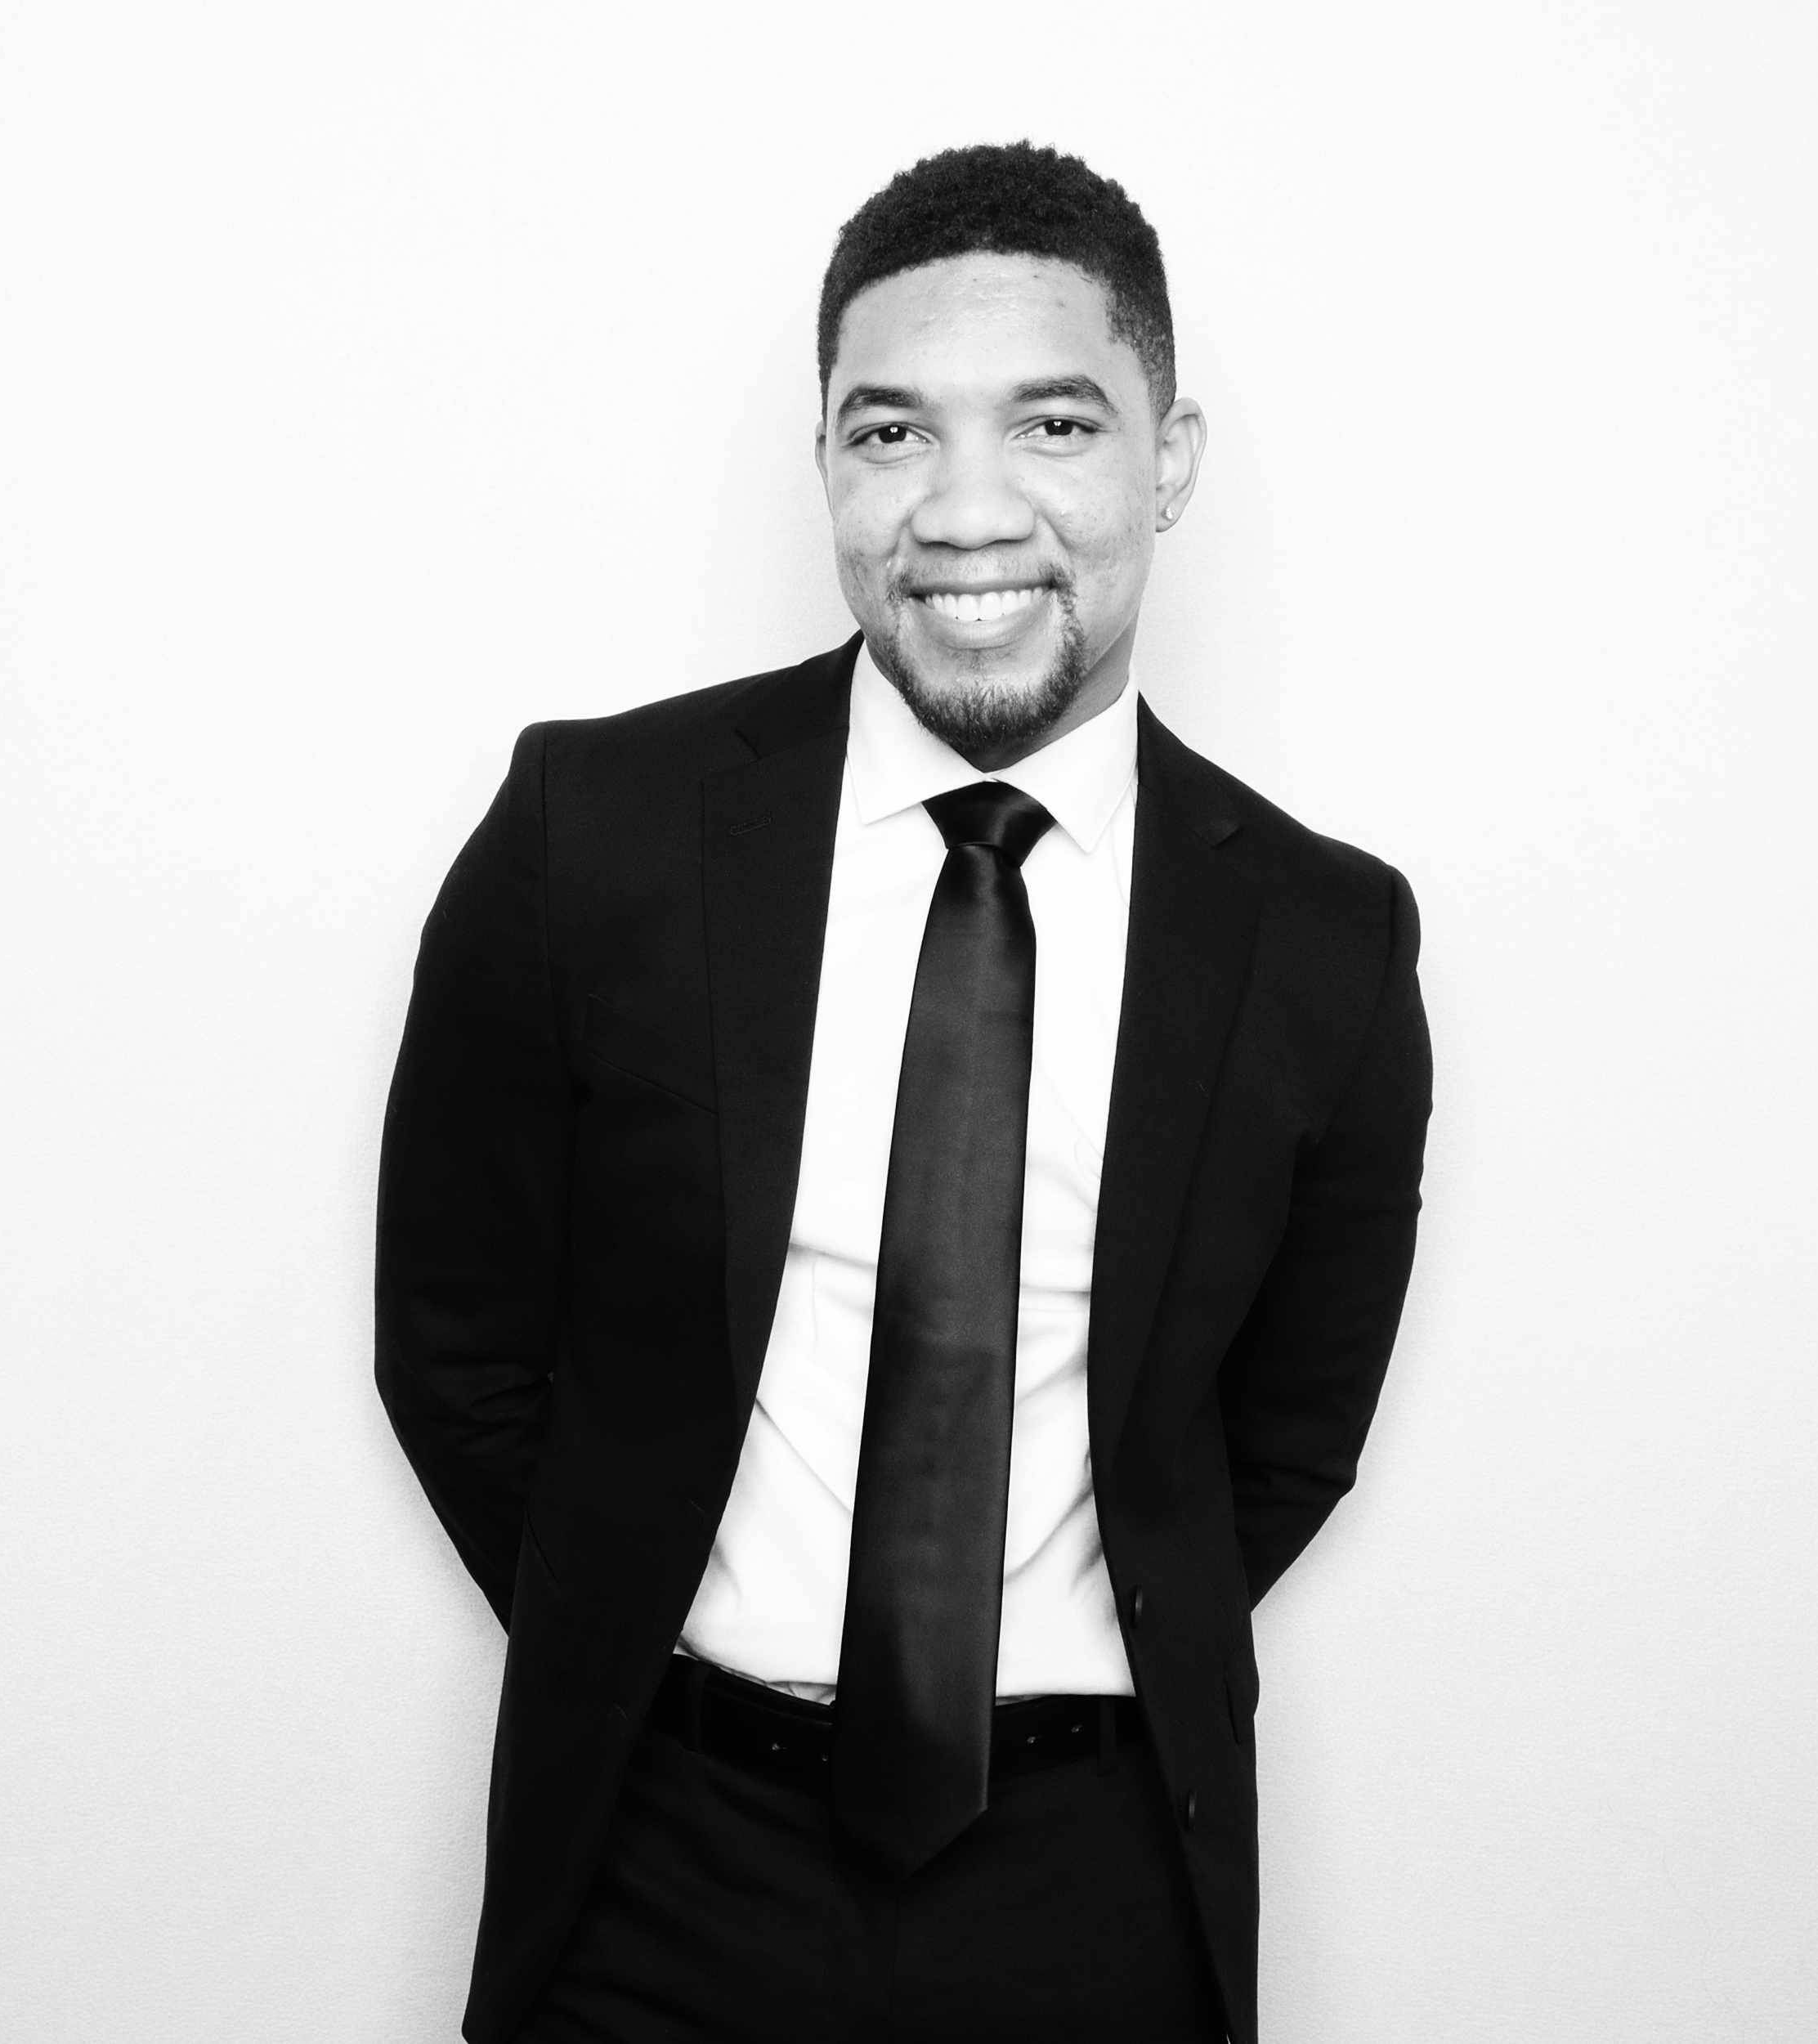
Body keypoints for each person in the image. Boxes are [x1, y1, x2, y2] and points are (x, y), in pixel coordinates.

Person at [377, 140, 1432, 2044]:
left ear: (1168, 460)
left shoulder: (1322, 939)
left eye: (1052, 423)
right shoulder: (588, 834)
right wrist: (635, 1632)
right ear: (824, 464)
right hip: (654, 1860)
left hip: (1099, 1880)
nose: (964, 510)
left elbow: (1280, 1442)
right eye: (890, 433)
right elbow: (455, 1341)